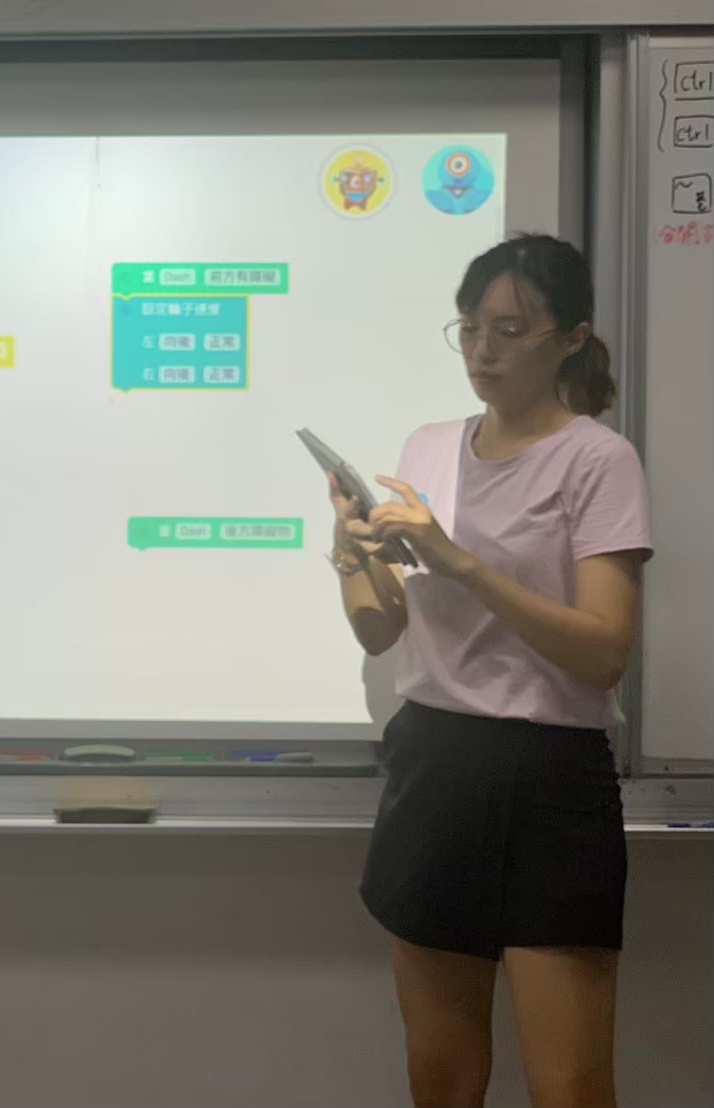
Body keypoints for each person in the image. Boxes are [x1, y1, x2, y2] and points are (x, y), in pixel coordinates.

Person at [327, 233, 651, 1108]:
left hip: (550, 778)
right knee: (440, 1076)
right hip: (434, 765)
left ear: (571, 339)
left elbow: (604, 651)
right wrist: (349, 549)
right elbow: (381, 629)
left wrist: (460, 561)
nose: (483, 350)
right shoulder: (429, 447)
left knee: (570, 1087)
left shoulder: (597, 459)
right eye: (469, 328)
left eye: (510, 330)